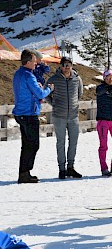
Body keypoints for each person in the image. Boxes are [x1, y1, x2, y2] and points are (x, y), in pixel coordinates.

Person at [12, 49, 54, 184]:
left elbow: (30, 91)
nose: (36, 64)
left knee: (26, 144)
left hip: (20, 113)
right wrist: (49, 89)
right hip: (29, 114)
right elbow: (41, 94)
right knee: (33, 144)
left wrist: (37, 89)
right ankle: (25, 173)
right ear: (29, 62)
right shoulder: (29, 76)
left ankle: (24, 172)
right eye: (35, 62)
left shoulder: (18, 74)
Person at [47, 56, 83, 179]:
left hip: (73, 116)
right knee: (60, 142)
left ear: (71, 66)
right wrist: (54, 104)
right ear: (60, 66)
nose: (66, 67)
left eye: (68, 65)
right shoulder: (53, 79)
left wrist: (73, 104)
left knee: (73, 142)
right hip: (59, 116)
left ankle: (71, 167)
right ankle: (62, 169)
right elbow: (47, 94)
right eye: (64, 65)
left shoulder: (77, 79)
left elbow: (79, 93)